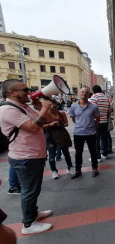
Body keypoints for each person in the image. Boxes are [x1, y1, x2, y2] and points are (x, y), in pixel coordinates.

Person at [0, 79, 53, 235]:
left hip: (33, 155)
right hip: (26, 157)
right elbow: (33, 127)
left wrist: (39, 108)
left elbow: (48, 120)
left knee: (33, 189)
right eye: (24, 90)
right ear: (12, 92)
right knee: (29, 191)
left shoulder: (23, 107)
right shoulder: (8, 110)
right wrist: (43, 109)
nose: (29, 92)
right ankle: (28, 224)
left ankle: (34, 213)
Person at [69, 88, 100, 179]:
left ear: (88, 95)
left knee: (93, 152)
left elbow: (97, 120)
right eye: (82, 92)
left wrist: (90, 125)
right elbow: (74, 119)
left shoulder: (94, 106)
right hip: (78, 133)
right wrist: (81, 125)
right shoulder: (73, 106)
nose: (84, 94)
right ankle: (78, 170)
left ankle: (95, 169)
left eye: (86, 93)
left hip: (91, 133)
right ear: (78, 93)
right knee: (78, 153)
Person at [43, 98, 74, 179]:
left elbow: (66, 123)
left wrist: (62, 124)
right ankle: (54, 171)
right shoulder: (45, 115)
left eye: (55, 107)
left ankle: (70, 167)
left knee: (66, 152)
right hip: (50, 135)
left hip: (61, 134)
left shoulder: (62, 113)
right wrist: (50, 124)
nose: (53, 109)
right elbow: (41, 126)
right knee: (52, 155)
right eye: (51, 107)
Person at [89, 85, 110, 161]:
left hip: (96, 122)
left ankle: (97, 156)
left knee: (96, 139)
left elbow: (91, 110)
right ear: (101, 90)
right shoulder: (106, 98)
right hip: (105, 121)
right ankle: (104, 154)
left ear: (93, 91)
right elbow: (108, 110)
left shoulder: (94, 97)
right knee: (104, 138)